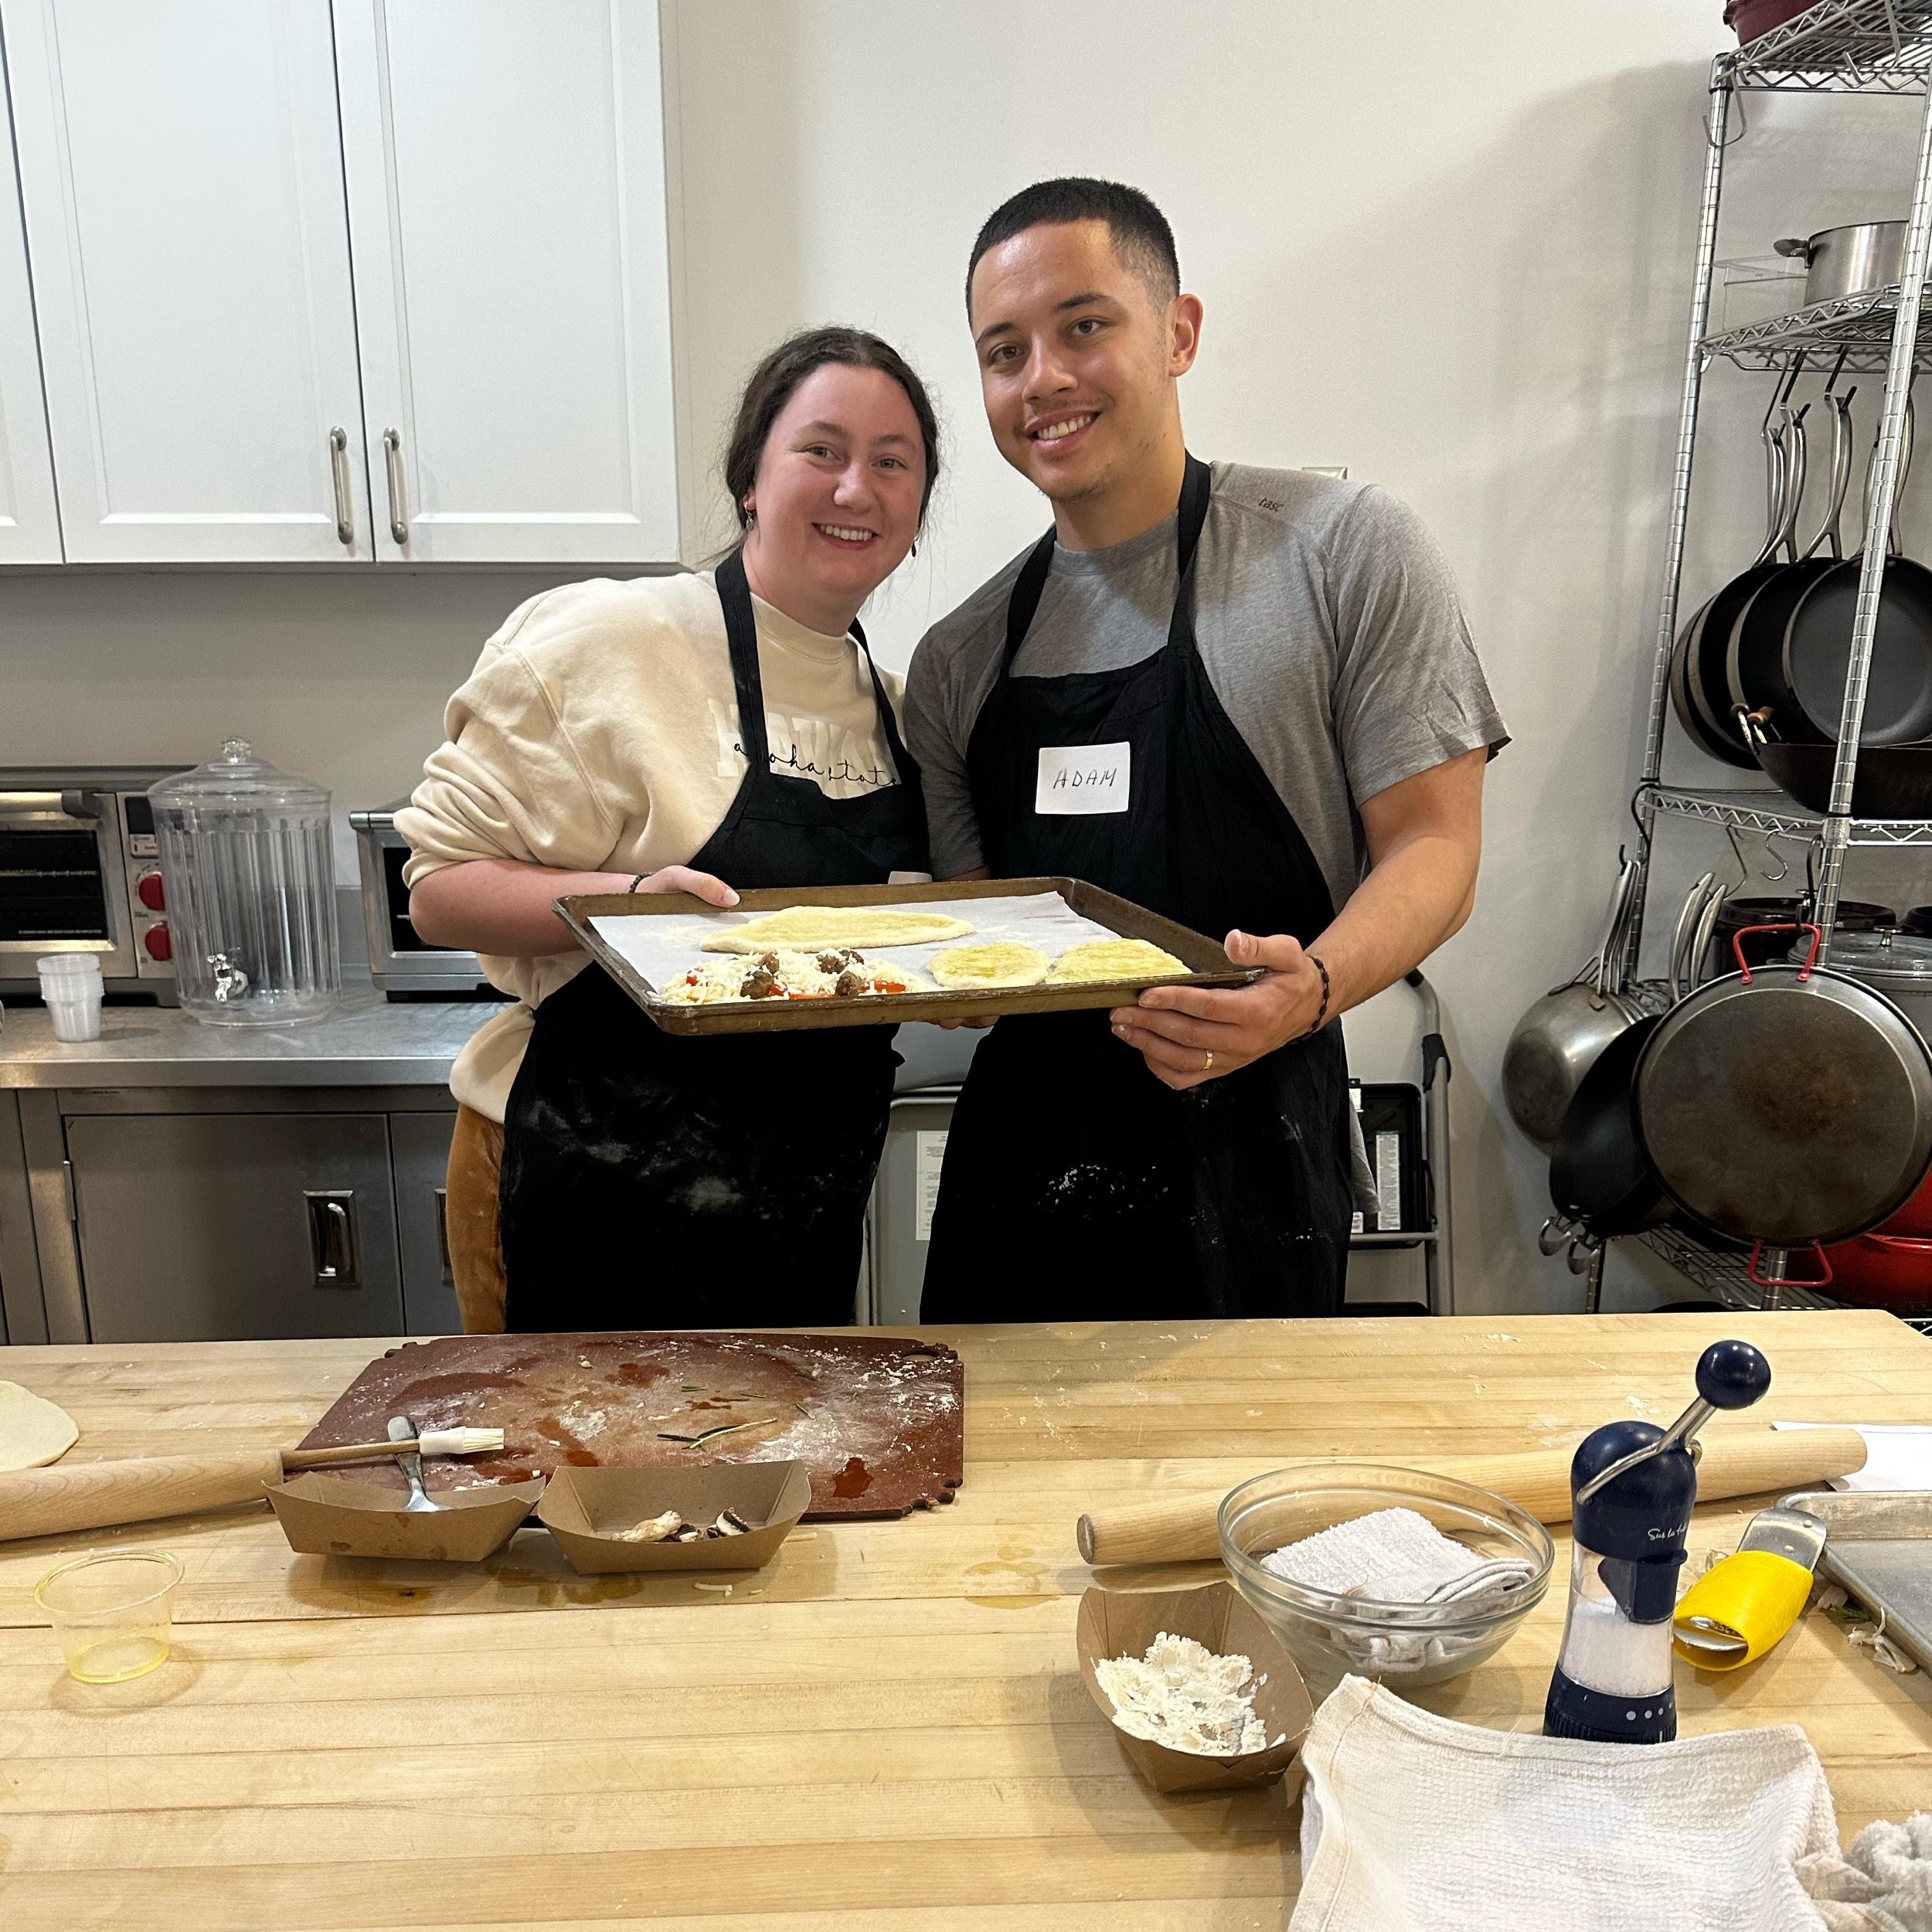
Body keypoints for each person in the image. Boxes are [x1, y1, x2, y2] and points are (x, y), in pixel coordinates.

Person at [904, 179, 1505, 1321]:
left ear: (1178, 332)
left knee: (1234, 1492)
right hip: (1019, 1177)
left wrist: (1309, 989)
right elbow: (975, 924)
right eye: (1004, 350)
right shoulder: (957, 658)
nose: (1045, 379)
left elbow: (1437, 845)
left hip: (1258, 1152)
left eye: (1086, 325)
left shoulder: (1340, 553)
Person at [399, 326, 939, 1333]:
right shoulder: (615, 641)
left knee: (762, 1482)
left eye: (892, 462)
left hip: (798, 1203)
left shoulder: (899, 709)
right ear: (750, 476)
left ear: (917, 508)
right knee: (575, 1487)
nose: (855, 488)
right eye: (821, 450)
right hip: (585, 1182)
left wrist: (947, 978)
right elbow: (436, 886)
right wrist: (633, 908)